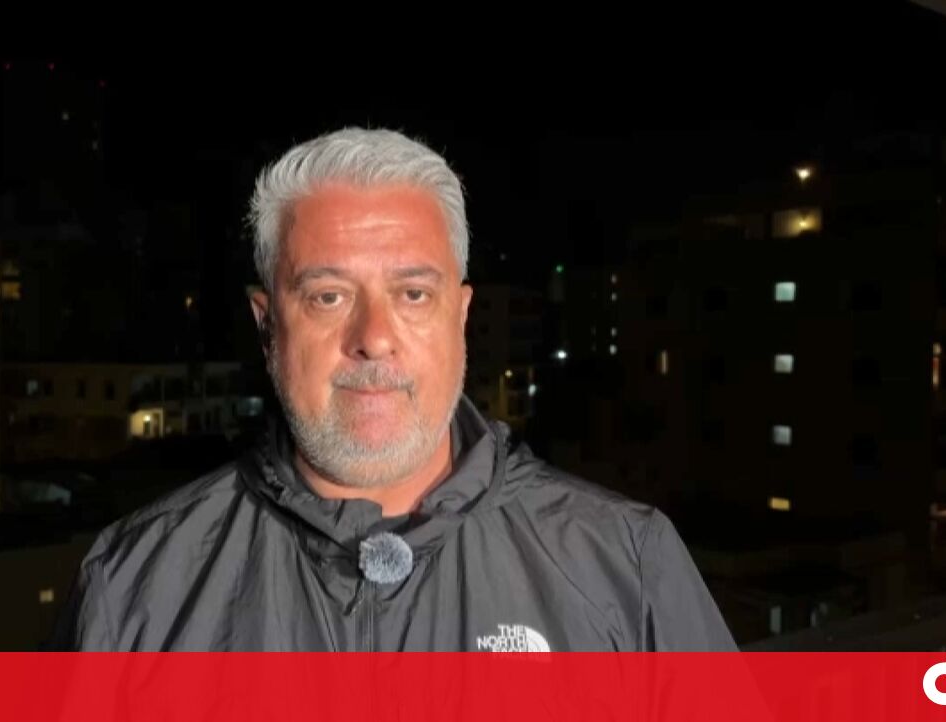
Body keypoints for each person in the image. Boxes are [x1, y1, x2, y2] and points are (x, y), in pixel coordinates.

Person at [50, 127, 737, 651]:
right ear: (267, 326)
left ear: (460, 317)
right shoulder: (132, 590)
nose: (374, 337)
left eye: (412, 294)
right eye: (327, 296)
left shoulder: (627, 568)